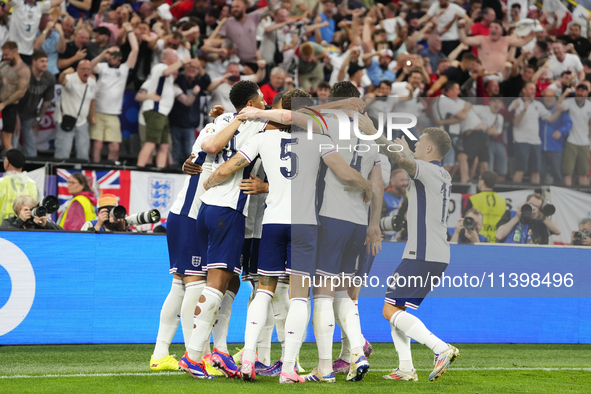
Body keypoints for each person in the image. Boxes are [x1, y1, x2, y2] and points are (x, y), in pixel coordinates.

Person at [202, 88, 375, 383]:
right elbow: (345, 173)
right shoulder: (320, 141)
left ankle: (247, 360)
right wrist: (367, 186)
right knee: (299, 298)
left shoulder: (262, 138)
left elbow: (230, 167)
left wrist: (209, 181)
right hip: (305, 226)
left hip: (272, 224)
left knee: (264, 290)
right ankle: (288, 369)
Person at [179, 81, 268, 380]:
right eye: (263, 99)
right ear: (252, 103)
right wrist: (214, 178)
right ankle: (193, 356)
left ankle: (220, 350)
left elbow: (198, 155)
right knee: (214, 287)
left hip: (207, 209)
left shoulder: (219, 120)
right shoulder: (257, 124)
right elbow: (213, 150)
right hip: (227, 211)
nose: (267, 103)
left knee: (231, 283)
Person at [359, 121, 459, 382]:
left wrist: (372, 132)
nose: (414, 145)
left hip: (423, 254)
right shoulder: (442, 174)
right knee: (397, 308)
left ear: (428, 148)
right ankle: (406, 369)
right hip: (431, 253)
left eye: (418, 143)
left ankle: (440, 348)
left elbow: (402, 159)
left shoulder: (427, 170)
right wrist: (402, 152)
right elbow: (405, 159)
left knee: (389, 311)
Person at [89, 24, 138, 163]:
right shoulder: (103, 67)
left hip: (113, 113)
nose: (113, 57)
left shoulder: (124, 69)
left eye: (116, 54)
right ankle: (96, 167)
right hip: (98, 111)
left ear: (121, 57)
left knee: (115, 147)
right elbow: (90, 67)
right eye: (111, 54)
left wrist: (129, 30)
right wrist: (102, 55)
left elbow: (135, 49)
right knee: (97, 144)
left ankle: (112, 168)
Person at [135, 49, 191, 168]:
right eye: (175, 59)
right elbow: (166, 71)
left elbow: (185, 100)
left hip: (163, 114)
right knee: (151, 143)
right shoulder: (159, 67)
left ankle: (160, 170)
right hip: (155, 111)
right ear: (171, 59)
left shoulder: (171, 81)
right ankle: (139, 168)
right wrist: (182, 61)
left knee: (164, 145)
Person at [509, 82, 564, 184]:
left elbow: (551, 119)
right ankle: (515, 191)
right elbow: (515, 122)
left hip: (536, 142)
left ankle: (536, 194)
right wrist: (523, 110)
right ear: (524, 90)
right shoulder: (516, 102)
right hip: (521, 140)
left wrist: (558, 111)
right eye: (530, 89)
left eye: (534, 89)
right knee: (521, 169)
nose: (533, 91)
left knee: (536, 170)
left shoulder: (538, 104)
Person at [168, 59, 212, 165]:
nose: (192, 70)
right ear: (185, 69)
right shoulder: (178, 79)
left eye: (194, 68)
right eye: (190, 67)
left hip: (190, 124)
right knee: (175, 151)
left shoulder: (198, 82)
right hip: (175, 122)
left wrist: (200, 67)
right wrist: (183, 63)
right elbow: (172, 75)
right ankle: (174, 172)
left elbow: (207, 79)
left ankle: (190, 174)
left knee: (190, 152)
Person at [15, 50, 55, 158]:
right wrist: (15, 117)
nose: (45, 64)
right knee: (12, 145)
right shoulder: (23, 74)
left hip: (31, 115)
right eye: (42, 61)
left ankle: (30, 172)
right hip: (15, 112)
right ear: (34, 62)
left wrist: (38, 119)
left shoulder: (49, 78)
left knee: (31, 147)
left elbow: (47, 102)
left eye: (46, 61)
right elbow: (14, 97)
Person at [54, 60, 97, 161]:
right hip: (65, 119)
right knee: (63, 152)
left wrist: (92, 116)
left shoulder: (92, 82)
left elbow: (92, 100)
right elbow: (62, 81)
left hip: (82, 122)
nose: (86, 71)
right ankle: (60, 174)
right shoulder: (70, 78)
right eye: (83, 69)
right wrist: (64, 73)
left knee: (83, 152)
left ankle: (81, 175)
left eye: (88, 69)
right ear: (78, 69)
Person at [458, 19, 534, 75]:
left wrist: (534, 31)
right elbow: (465, 40)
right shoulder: (482, 40)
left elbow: (522, 42)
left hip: (500, 76)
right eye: (491, 27)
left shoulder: (506, 40)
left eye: (496, 28)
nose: (493, 29)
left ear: (501, 31)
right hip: (484, 75)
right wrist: (460, 28)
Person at [7, 0, 65, 65]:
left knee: (25, 74)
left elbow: (57, 2)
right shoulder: (18, 3)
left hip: (28, 53)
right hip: (13, 50)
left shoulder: (40, 6)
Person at [0, 42, 31, 150]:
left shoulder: (24, 70)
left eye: (7, 55)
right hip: (1, 105)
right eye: (3, 55)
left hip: (9, 108)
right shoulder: (3, 65)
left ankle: (11, 164)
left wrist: (4, 104)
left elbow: (21, 92)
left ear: (15, 52)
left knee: (6, 140)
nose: (5, 57)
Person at [496, 193, 561, 245]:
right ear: (525, 203)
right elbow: (499, 235)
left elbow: (558, 231)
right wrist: (517, 217)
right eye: (531, 205)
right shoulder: (510, 214)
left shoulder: (541, 222)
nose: (533, 209)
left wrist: (541, 216)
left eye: (537, 207)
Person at [538, 88, 572, 186]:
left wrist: (560, 131)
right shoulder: (539, 107)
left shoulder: (560, 108)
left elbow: (568, 123)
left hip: (556, 147)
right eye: (546, 96)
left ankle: (558, 197)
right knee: (540, 173)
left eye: (551, 96)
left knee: (557, 172)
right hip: (540, 146)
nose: (549, 99)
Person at [463, 171, 506, 243]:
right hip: (496, 240)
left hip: (479, 238)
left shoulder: (474, 199)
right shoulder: (502, 201)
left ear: (482, 181)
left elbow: (465, 220)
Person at [561, 84, 591, 186]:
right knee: (568, 172)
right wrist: (564, 94)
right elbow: (557, 107)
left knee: (583, 173)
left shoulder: (589, 106)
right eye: (578, 90)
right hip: (571, 141)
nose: (580, 93)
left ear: (586, 93)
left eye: (583, 91)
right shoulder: (569, 102)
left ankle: (583, 198)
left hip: (585, 143)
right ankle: (567, 195)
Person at [472, 95, 507, 180]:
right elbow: (469, 109)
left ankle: (500, 179)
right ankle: (486, 179)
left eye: (499, 102)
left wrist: (492, 132)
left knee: (502, 154)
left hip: (491, 139)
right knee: (483, 160)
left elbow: (497, 133)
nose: (496, 104)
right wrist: (477, 125)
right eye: (494, 101)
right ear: (489, 102)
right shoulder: (482, 109)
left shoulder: (500, 117)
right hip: (478, 139)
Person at [0, 149, 38, 223]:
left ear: (7, 162)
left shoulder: (1, 182)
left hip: (2, 230)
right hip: (25, 229)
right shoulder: (32, 184)